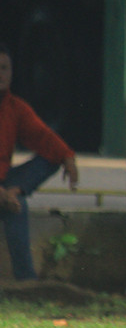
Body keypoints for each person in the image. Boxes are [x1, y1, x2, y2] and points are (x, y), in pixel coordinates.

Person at [0, 42, 79, 280]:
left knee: (52, 158)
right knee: (17, 206)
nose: (0, 74)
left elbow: (42, 137)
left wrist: (68, 157)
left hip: (5, 182)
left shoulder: (15, 107)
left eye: (4, 68)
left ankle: (26, 285)